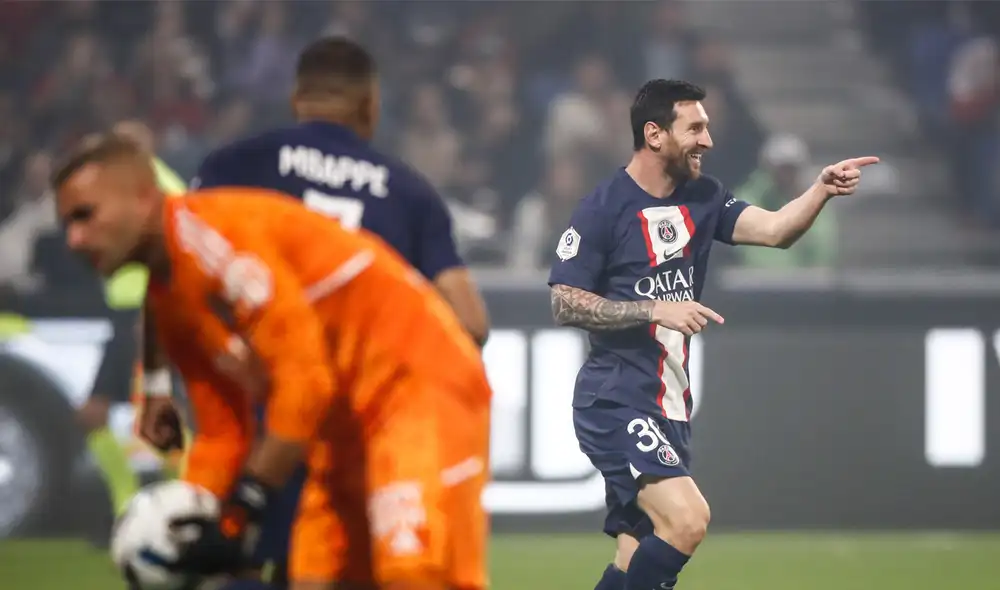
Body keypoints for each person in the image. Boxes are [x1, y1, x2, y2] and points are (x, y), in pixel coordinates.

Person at [52, 134, 492, 590]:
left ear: (144, 199)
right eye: (67, 223)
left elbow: (305, 382)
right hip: (341, 428)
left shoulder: (212, 240)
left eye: (85, 215)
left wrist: (243, 506)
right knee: (313, 578)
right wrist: (194, 512)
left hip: (417, 388)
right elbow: (224, 432)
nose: (75, 239)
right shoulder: (169, 297)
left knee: (413, 574)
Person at [135, 37, 490, 588]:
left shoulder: (237, 163)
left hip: (268, 416)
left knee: (234, 556)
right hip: (356, 422)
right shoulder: (409, 191)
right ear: (370, 106)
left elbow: (171, 265)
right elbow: (471, 324)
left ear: (297, 98)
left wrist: (157, 384)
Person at [547, 79, 876, 590]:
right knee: (688, 520)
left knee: (635, 554)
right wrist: (654, 308)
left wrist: (819, 190)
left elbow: (774, 231)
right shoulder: (603, 208)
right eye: (695, 127)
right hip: (615, 396)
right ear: (654, 135)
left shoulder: (703, 197)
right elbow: (565, 300)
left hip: (669, 405)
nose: (708, 140)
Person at [74, 122, 187, 525]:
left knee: (158, 417)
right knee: (93, 415)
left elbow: (179, 252)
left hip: (150, 313)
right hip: (124, 316)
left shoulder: (163, 190)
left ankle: (187, 504)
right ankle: (128, 504)